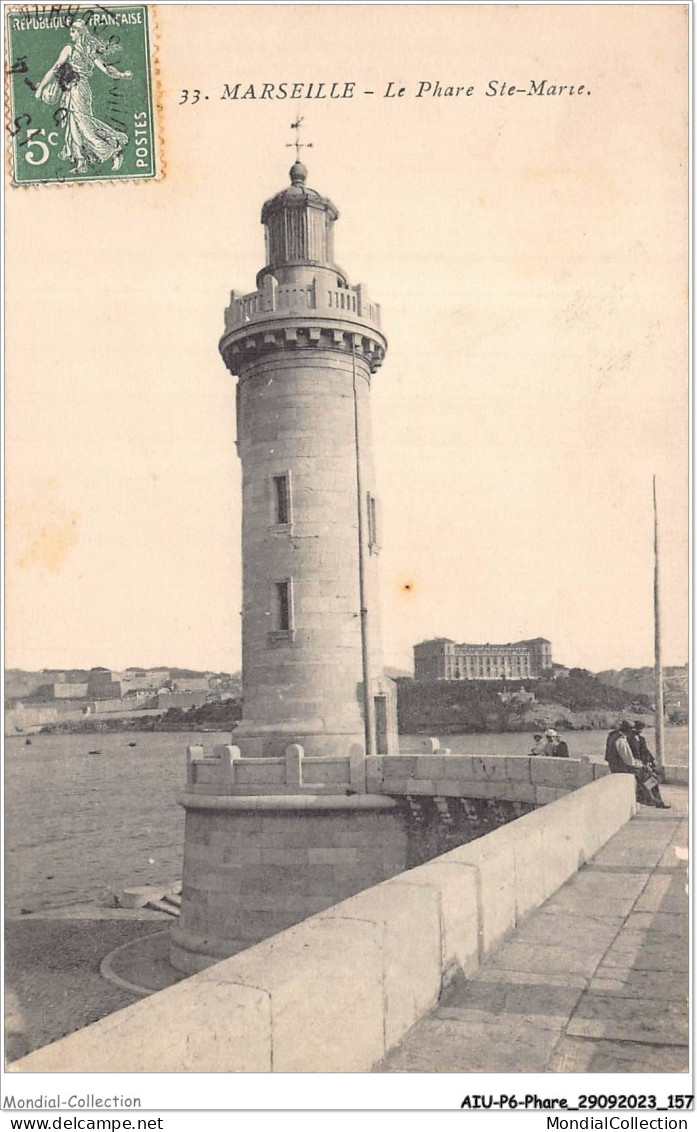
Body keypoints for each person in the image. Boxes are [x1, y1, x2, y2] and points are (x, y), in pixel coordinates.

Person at [35, 20, 132, 174]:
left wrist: (40, 88)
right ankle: (81, 162)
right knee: (73, 125)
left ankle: (113, 148)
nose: (71, 34)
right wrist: (121, 74)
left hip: (79, 90)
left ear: (80, 33)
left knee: (83, 123)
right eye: (71, 31)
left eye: (73, 31)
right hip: (73, 89)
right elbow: (105, 69)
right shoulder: (84, 49)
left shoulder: (76, 49)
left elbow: (56, 68)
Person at [605, 721, 670, 808]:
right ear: (628, 730)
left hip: (618, 766)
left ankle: (654, 799)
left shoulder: (614, 736)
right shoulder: (621, 740)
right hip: (624, 768)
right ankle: (654, 800)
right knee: (649, 778)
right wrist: (642, 765)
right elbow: (629, 761)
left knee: (649, 776)